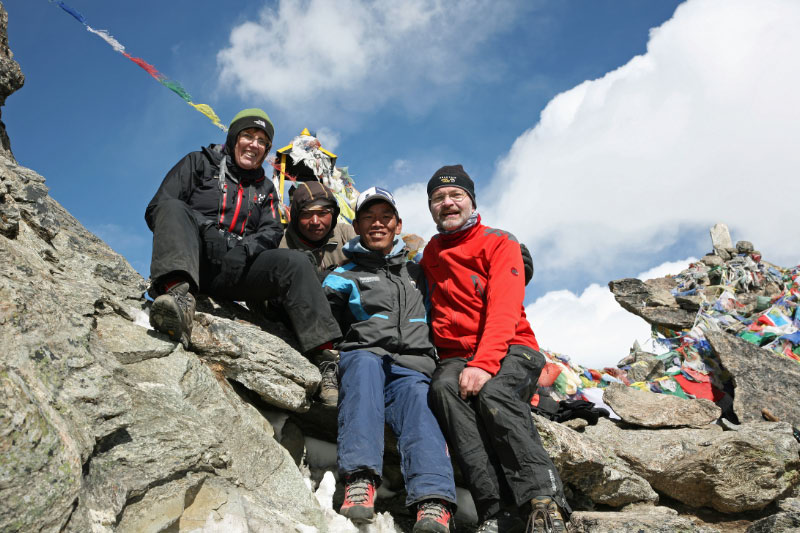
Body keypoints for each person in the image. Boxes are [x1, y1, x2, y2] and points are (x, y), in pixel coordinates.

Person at [421, 165, 570, 533]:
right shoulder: (430, 253)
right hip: (457, 356)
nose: (448, 203)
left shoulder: (501, 242)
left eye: (456, 195)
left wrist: (485, 364)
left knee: (494, 394)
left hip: (513, 347)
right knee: (443, 390)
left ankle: (544, 503)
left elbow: (503, 308)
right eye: (438, 198)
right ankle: (496, 511)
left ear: (472, 201)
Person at [144, 108, 341, 360]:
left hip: (238, 268)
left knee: (297, 261)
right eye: (248, 135)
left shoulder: (267, 188)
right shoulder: (198, 162)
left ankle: (323, 355)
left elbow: (271, 229)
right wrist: (206, 230)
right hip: (193, 261)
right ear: (234, 137)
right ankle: (177, 300)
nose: (254, 145)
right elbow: (158, 206)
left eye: (262, 141)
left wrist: (246, 248)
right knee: (171, 206)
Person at [322, 187, 457, 533]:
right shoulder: (344, 273)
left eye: (385, 217)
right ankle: (360, 480)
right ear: (358, 226)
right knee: (363, 368)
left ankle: (433, 502)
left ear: (398, 225)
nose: (377, 224)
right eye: (368, 217)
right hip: (365, 353)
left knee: (418, 402)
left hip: (413, 363)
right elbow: (322, 318)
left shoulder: (417, 274)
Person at [278, 180, 356, 404]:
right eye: (306, 214)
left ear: (334, 213)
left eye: (323, 213)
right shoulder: (284, 242)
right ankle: (326, 364)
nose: (315, 221)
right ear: (294, 215)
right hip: (303, 322)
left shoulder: (345, 234)